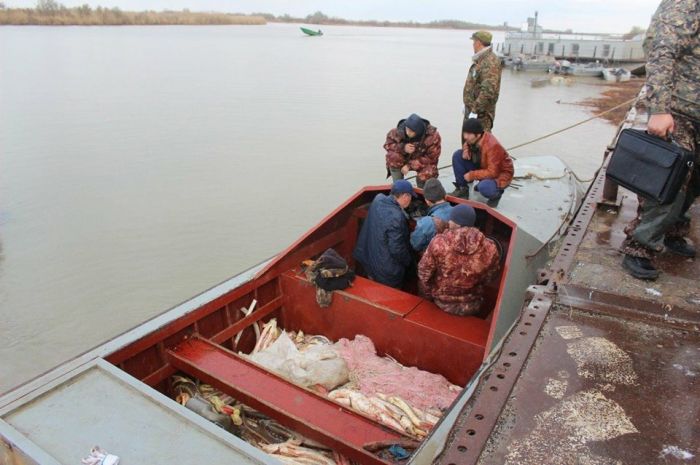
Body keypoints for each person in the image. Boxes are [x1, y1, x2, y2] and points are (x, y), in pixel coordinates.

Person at [619, 0, 699, 280]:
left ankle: (674, 231)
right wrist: (660, 108)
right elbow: (663, 51)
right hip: (679, 109)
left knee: (695, 182)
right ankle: (639, 246)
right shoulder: (686, 4)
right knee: (670, 182)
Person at [418, 204, 500, 316]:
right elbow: (491, 276)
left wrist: (427, 294)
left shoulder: (438, 243)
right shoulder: (490, 247)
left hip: (442, 302)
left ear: (454, 223)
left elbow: (424, 273)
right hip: (473, 303)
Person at [353, 180, 416, 288]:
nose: (410, 200)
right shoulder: (397, 217)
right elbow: (397, 249)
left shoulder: (378, 199)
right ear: (406, 196)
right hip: (386, 271)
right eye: (411, 197)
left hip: (368, 260)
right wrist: (409, 262)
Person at [450, 118, 514, 206]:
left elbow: (493, 172)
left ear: (478, 134)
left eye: (468, 134)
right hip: (483, 166)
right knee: (458, 155)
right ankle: (463, 190)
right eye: (464, 133)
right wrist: (465, 150)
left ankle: (496, 194)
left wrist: (472, 175)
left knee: (484, 187)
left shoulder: (492, 145)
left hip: (499, 174)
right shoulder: (473, 139)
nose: (465, 137)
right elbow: (466, 143)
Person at [384, 113, 442, 188]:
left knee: (429, 171)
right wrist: (403, 148)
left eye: (411, 131)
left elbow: (432, 159)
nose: (408, 132)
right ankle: (398, 186)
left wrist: (409, 165)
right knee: (392, 156)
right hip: (404, 158)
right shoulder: (396, 132)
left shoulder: (433, 136)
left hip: (422, 161)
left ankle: (423, 191)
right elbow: (387, 145)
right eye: (407, 129)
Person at [463, 30, 502, 134]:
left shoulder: (490, 62)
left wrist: (474, 110)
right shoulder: (481, 60)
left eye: (474, 42)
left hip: (481, 117)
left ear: (478, 43)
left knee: (479, 147)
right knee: (468, 147)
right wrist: (467, 104)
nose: (473, 45)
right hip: (472, 113)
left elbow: (488, 92)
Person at [410, 178, 454, 252]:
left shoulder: (425, 223)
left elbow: (415, 245)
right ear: (445, 195)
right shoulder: (459, 213)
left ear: (427, 201)